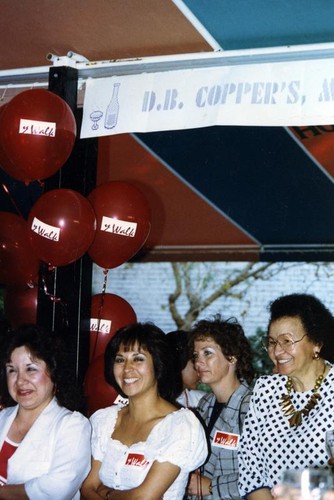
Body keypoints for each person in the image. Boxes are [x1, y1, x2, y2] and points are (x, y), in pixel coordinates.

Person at [81, 322, 208, 499]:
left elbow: (145, 497)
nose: (127, 368)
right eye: (120, 360)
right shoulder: (104, 420)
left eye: (138, 359)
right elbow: (88, 488)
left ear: (158, 365)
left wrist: (107, 493)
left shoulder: (180, 426)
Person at [238, 293, 334, 500]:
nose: (277, 351)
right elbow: (250, 469)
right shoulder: (265, 389)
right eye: (272, 342)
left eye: (287, 341)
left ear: (316, 343)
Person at [0, 324, 91, 499]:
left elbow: (56, 489)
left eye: (31, 369)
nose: (20, 380)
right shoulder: (2, 418)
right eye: (12, 370)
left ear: (54, 371)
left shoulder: (72, 425)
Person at [187, 314, 255, 499]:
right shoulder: (205, 404)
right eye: (195, 355)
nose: (198, 362)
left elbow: (268, 473)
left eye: (207, 353)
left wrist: (211, 487)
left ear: (232, 357)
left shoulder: (252, 407)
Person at [166, 329, 207, 408]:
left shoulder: (203, 401)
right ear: (179, 362)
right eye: (195, 361)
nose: (201, 369)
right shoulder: (153, 401)